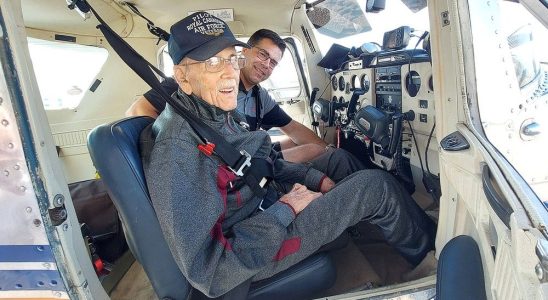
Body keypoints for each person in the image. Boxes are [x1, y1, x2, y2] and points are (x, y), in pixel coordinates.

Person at [141, 12, 435, 298]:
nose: (229, 71)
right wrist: (287, 209)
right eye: (213, 62)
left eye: (232, 58)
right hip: (253, 249)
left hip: (260, 204)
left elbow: (260, 164)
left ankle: (376, 225)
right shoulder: (177, 154)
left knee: (340, 162)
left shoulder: (215, 114)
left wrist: (313, 177)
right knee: (376, 187)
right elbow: (214, 272)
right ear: (182, 76)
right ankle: (433, 266)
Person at [127, 28, 351, 165]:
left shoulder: (258, 96)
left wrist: (327, 148)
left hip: (251, 153)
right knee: (317, 152)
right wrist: (177, 156)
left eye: (273, 62)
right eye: (263, 55)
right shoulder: (193, 82)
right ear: (244, 52)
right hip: (227, 162)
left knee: (312, 146)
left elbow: (292, 127)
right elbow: (137, 111)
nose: (266, 65)